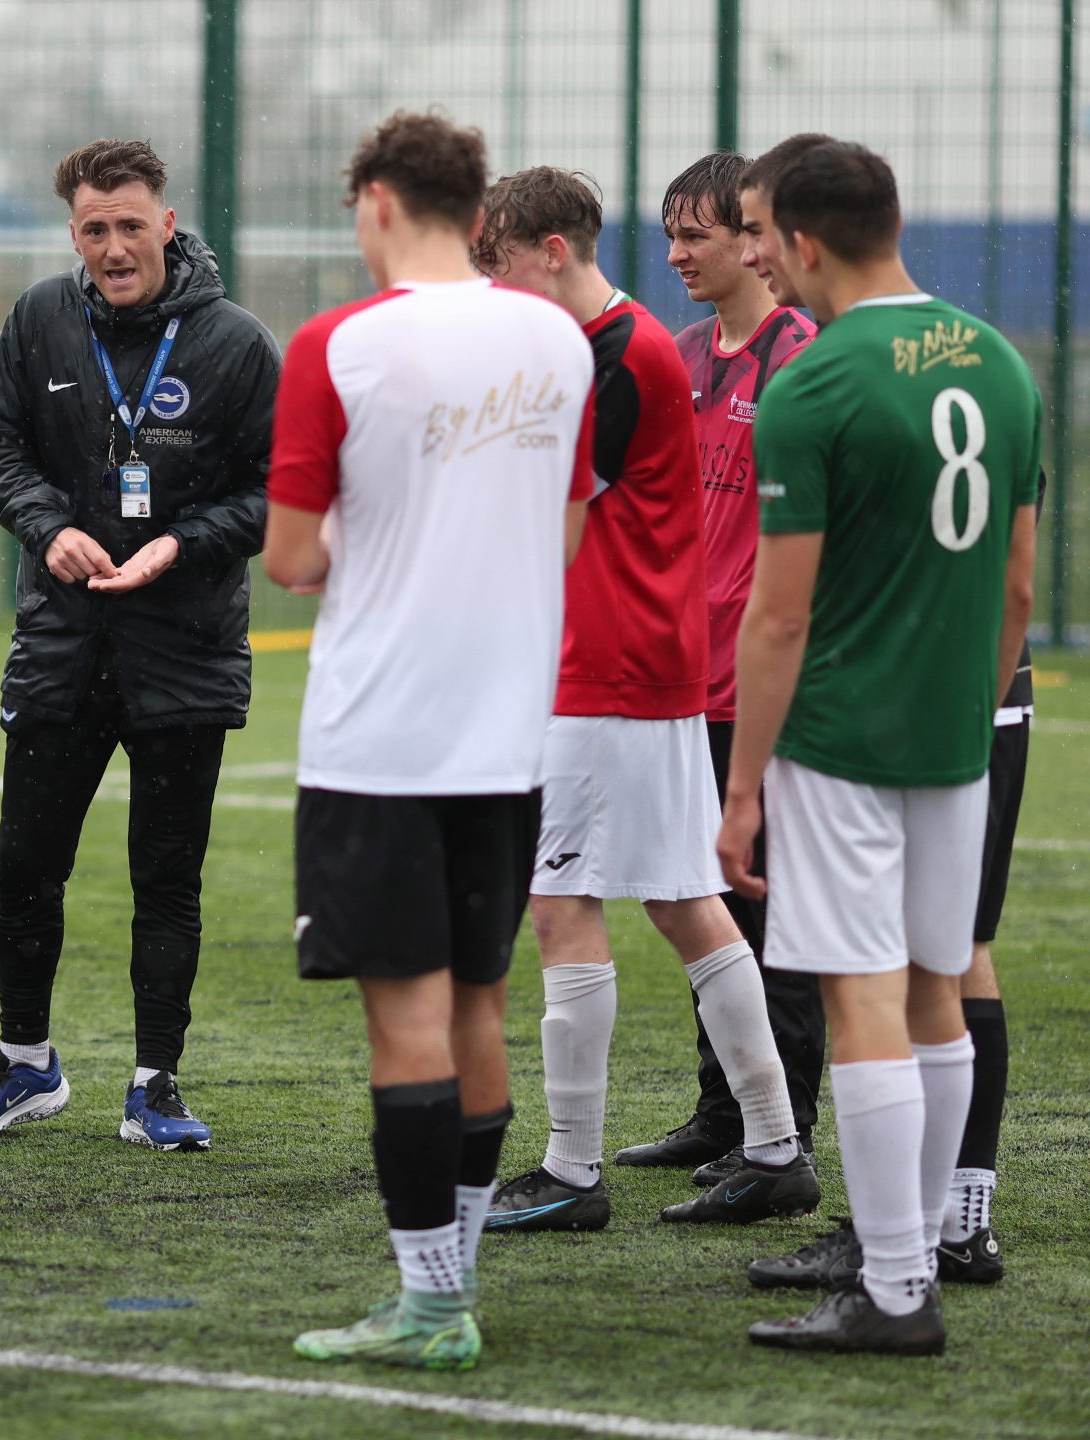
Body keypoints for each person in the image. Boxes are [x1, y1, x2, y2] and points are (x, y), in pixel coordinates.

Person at [268, 111, 593, 1372]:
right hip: (505, 734)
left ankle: (426, 1305)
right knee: (478, 1011)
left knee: (402, 1025)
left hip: (382, 740)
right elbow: (564, 530)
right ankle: (448, 1285)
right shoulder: (554, 339)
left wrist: (382, 547)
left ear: (381, 202)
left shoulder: (340, 345)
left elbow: (292, 557)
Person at [718, 140, 1040, 1355]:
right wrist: (962, 705)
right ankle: (930, 1245)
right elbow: (1015, 586)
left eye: (760, 233)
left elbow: (780, 614)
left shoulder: (813, 385)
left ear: (801, 242)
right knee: (934, 991)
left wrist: (743, 785)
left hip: (841, 737)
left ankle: (895, 1287)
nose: (756, 256)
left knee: (859, 999)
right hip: (959, 733)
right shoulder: (1002, 364)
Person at [469, 167, 810, 1232]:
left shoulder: (616, 354)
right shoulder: (627, 347)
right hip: (649, 669)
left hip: (602, 671)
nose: (488, 286)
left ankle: (570, 1172)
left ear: (552, 252)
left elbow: (547, 521)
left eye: (499, 264)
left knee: (563, 905)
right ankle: (774, 1144)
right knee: (683, 904)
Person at [0, 136, 278, 1152]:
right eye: (95, 229)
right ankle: (26, 1067)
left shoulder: (237, 344)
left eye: (132, 225)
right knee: (26, 866)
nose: (114, 248)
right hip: (61, 643)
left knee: (165, 877)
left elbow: (274, 486)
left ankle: (154, 1081)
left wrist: (183, 542)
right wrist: (48, 526)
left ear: (167, 223)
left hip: (184, 650)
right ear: (72, 232)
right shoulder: (41, 317)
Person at [612, 149, 826, 1180]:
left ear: (756, 238)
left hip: (763, 688)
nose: (676, 253)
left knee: (767, 913)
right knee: (699, 903)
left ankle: (781, 1132)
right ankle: (723, 1110)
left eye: (696, 233)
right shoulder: (675, 352)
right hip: (674, 680)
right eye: (669, 233)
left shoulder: (802, 356)